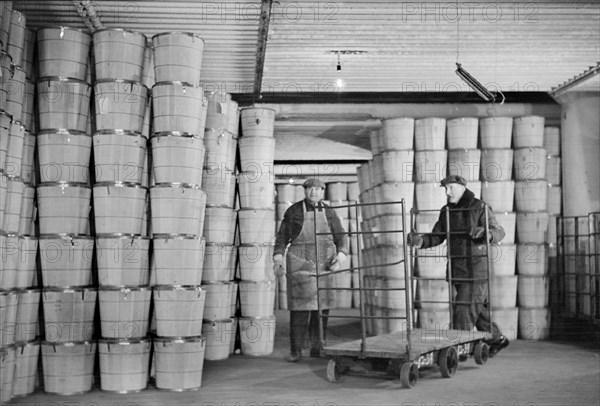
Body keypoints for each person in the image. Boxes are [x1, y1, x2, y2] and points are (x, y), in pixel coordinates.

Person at [407, 175, 510, 356]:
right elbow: (438, 235)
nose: (447, 193)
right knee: (477, 312)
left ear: (462, 187)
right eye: (445, 189)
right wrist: (420, 241)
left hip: (476, 271)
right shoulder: (446, 211)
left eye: (451, 188)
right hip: (457, 271)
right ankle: (498, 339)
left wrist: (485, 233)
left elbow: (499, 232)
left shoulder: (480, 208)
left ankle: (455, 350)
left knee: (463, 311)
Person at [273, 178, 349, 362]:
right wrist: (278, 257)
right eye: (310, 189)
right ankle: (296, 351)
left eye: (317, 189)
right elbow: (282, 237)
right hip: (301, 267)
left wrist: (340, 256)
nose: (313, 193)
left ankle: (318, 348)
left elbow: (341, 237)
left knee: (321, 312)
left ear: (323, 192)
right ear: (304, 191)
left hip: (324, 266)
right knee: (299, 312)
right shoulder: (294, 211)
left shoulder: (329, 212)